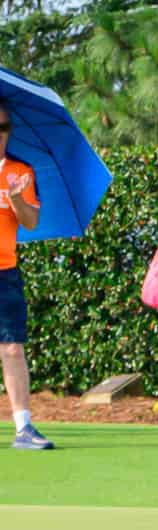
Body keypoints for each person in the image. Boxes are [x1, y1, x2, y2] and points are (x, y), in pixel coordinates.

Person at [3, 100, 49, 450]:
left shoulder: (21, 172)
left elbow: (31, 222)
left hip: (5, 272)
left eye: (2, 127)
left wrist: (16, 199)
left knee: (13, 349)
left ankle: (24, 427)